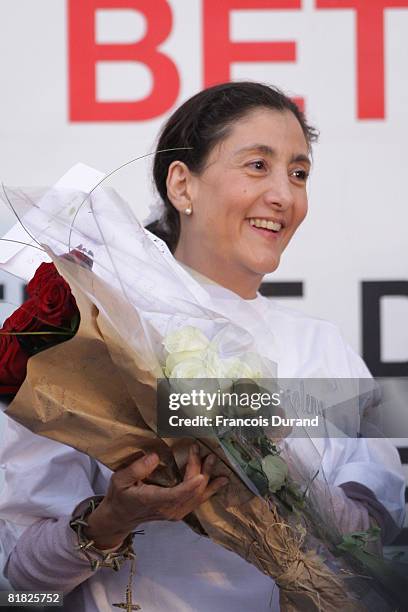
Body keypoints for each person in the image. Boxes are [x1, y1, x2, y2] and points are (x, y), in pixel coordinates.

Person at [0, 82, 405, 612]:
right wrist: (111, 520)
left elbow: (371, 544)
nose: (284, 195)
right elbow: (20, 591)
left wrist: (277, 466)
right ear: (182, 186)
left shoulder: (322, 346)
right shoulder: (89, 337)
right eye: (257, 165)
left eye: (299, 173)